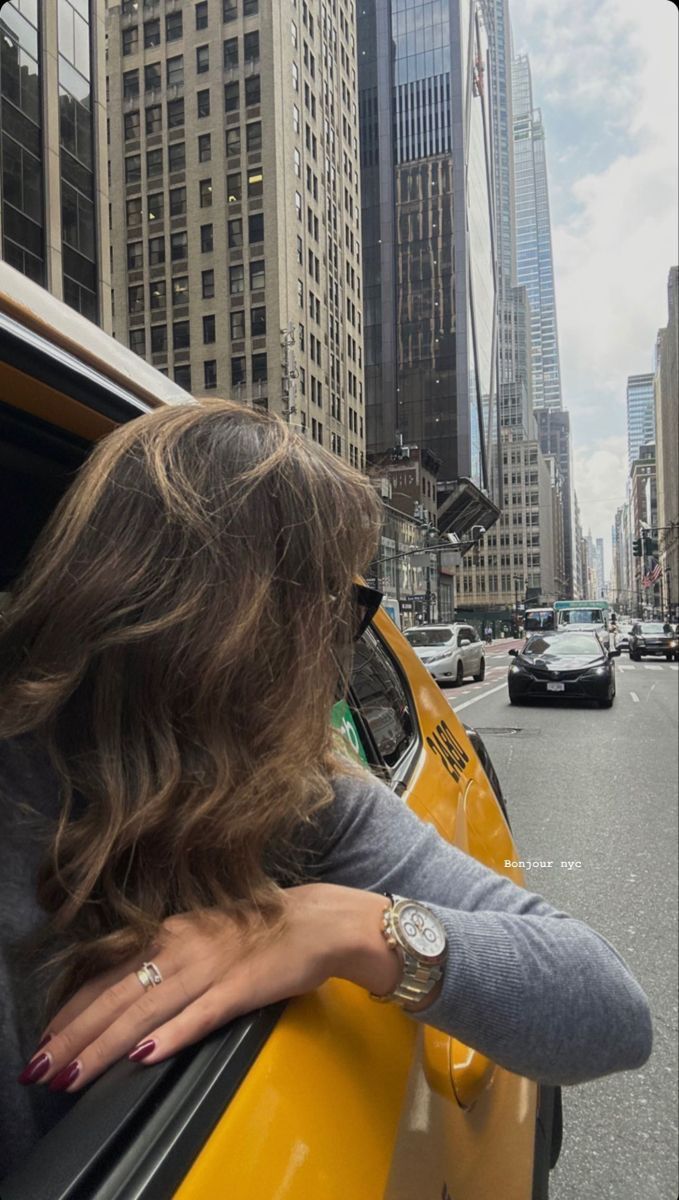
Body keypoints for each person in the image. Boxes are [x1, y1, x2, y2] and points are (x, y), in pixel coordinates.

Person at [0, 400, 652, 1177]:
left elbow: (610, 1011)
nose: (342, 650)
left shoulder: (303, 802)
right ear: (246, 626)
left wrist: (332, 925)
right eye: (343, 608)